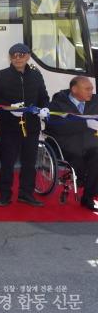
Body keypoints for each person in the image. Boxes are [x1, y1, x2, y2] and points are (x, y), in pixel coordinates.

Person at [0, 43, 49, 207]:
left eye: (21, 55)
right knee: (7, 162)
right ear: (10, 57)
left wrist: (44, 108)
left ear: (28, 56)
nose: (18, 58)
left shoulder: (36, 75)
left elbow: (43, 96)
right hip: (10, 125)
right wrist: (9, 108)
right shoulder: (1, 75)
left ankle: (26, 194)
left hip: (31, 125)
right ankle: (4, 195)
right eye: (14, 55)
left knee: (29, 162)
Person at [46, 76, 98, 211]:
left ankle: (87, 198)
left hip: (91, 144)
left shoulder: (95, 101)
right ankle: (88, 183)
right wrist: (85, 124)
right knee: (82, 167)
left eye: (91, 89)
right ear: (74, 89)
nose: (91, 92)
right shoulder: (58, 104)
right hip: (68, 146)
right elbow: (55, 126)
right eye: (87, 89)